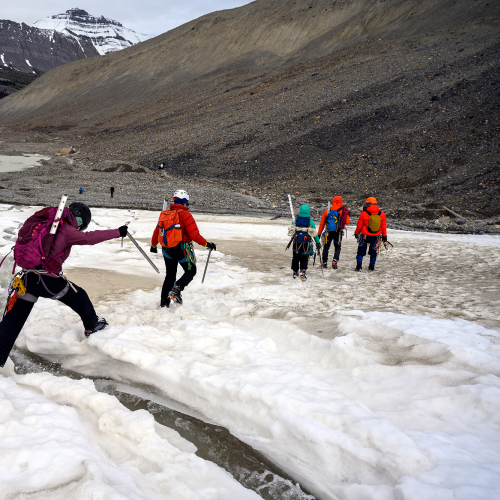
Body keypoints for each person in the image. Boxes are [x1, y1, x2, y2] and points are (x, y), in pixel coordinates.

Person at [0, 202, 128, 369]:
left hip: (26, 278)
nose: (80, 228)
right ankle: (92, 326)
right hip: (46, 280)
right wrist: (117, 232)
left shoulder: (47, 223)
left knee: (12, 321)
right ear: (80, 221)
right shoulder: (66, 230)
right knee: (79, 296)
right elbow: (89, 238)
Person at [150, 189, 216, 307]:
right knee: (191, 271)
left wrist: (153, 245)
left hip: (166, 249)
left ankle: (164, 304)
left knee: (170, 275)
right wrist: (207, 244)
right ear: (184, 202)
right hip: (182, 249)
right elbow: (194, 235)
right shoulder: (186, 215)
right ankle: (177, 290)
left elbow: (157, 231)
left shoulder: (166, 214)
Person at [287, 204, 321, 281]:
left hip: (296, 242)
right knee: (304, 257)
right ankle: (303, 271)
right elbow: (314, 233)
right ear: (308, 212)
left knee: (295, 257)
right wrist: (318, 242)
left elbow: (292, 231)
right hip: (306, 243)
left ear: (300, 211)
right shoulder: (310, 222)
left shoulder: (295, 220)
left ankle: (295, 272)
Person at [354, 197, 387, 272]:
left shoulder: (364, 213)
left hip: (364, 236)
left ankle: (358, 267)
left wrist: (356, 234)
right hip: (376, 237)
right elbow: (384, 227)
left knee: (361, 251)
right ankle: (371, 267)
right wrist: (385, 236)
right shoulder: (382, 214)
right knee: (373, 252)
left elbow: (359, 225)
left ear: (368, 204)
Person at [317, 196, 350, 269]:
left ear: (333, 201)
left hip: (328, 233)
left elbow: (322, 223)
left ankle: (324, 263)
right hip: (338, 233)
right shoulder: (343, 211)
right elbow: (347, 222)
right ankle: (334, 261)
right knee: (337, 247)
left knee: (326, 247)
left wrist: (319, 234)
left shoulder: (327, 210)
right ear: (341, 202)